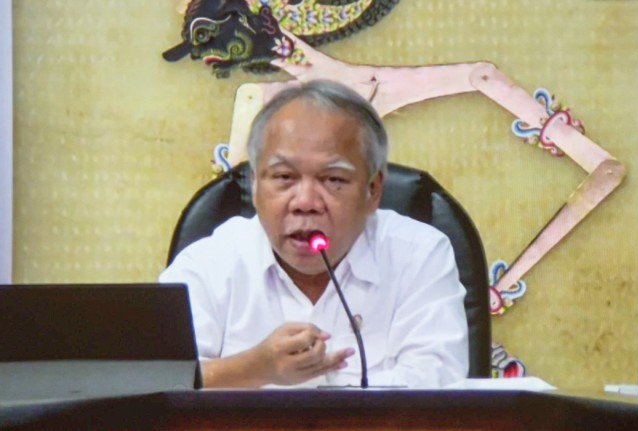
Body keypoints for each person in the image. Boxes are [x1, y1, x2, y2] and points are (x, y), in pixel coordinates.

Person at [160, 80, 469, 388]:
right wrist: (256, 367)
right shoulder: (209, 263)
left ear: (373, 190)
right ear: (254, 184)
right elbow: (153, 382)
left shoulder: (418, 255)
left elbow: (437, 383)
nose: (305, 202)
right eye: (284, 177)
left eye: (333, 179)